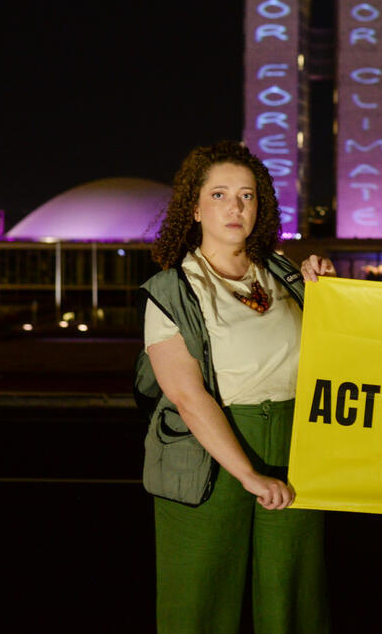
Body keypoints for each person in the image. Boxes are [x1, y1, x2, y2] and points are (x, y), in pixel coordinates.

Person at [137, 140, 334, 634]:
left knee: (293, 597)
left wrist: (328, 289)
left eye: (247, 196)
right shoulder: (172, 290)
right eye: (220, 194)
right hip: (208, 453)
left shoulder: (283, 272)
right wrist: (247, 474)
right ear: (196, 207)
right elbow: (187, 395)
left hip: (294, 441)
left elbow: (337, 348)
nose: (235, 207)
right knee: (199, 602)